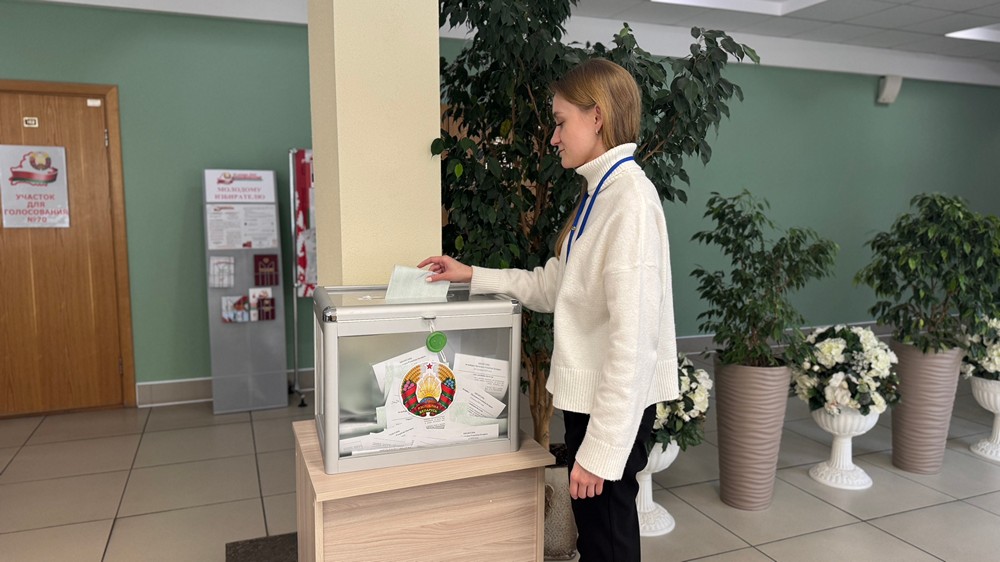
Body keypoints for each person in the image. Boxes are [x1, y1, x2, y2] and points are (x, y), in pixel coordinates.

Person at [419, 58, 678, 561]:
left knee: (608, 544)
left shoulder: (630, 200)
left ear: (596, 116)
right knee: (597, 540)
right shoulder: (599, 194)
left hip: (609, 410)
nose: (554, 137)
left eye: (560, 122)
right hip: (591, 403)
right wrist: (471, 275)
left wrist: (601, 451)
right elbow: (554, 285)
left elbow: (634, 343)